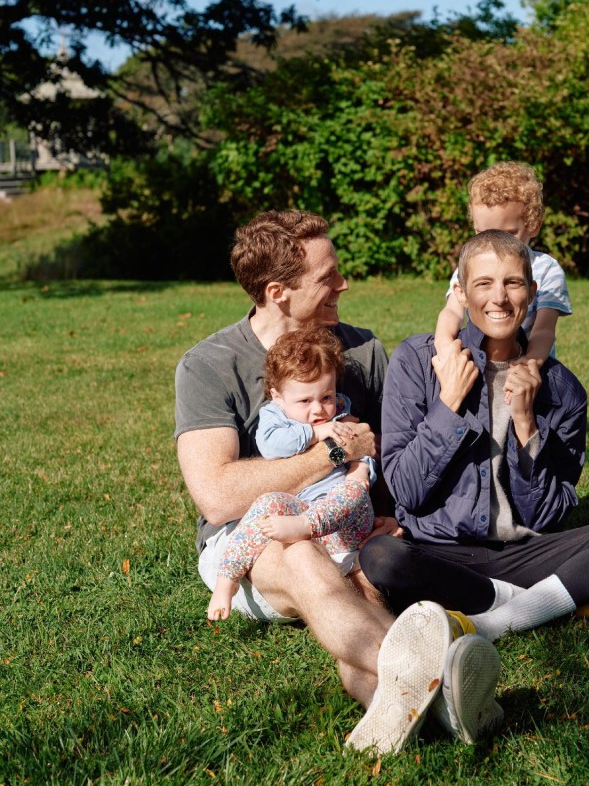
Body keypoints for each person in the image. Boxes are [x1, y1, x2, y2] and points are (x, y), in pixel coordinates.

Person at [175, 209, 501, 753]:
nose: (343, 284)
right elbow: (217, 496)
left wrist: (389, 512)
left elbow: (392, 460)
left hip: (346, 531)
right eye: (328, 277)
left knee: (360, 592)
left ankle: (408, 702)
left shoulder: (361, 351)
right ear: (278, 292)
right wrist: (331, 452)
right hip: (251, 541)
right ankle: (434, 671)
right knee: (300, 556)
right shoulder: (210, 365)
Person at [360, 230, 589, 637]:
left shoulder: (562, 390)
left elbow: (548, 515)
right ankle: (545, 602)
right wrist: (448, 405)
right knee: (381, 557)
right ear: (460, 293)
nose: (499, 297)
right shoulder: (417, 361)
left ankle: (495, 613)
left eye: (512, 283)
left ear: (531, 292)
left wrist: (526, 424)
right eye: (483, 283)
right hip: (434, 551)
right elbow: (407, 491)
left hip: (527, 552)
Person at [206, 326, 377, 622]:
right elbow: (272, 446)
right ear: (278, 396)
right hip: (299, 508)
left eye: (326, 396)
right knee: (268, 503)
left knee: (352, 491)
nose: (319, 409)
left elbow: (362, 447)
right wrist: (314, 433)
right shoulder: (275, 416)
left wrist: (361, 469)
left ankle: (307, 526)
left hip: (344, 529)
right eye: (304, 401)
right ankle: (227, 578)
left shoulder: (341, 410)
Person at [435, 161, 572, 366]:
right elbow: (452, 312)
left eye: (508, 234)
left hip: (531, 366)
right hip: (479, 366)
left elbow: (544, 329)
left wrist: (529, 364)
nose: (495, 244)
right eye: (483, 233)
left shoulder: (546, 270)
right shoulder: (471, 266)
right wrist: (445, 347)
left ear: (533, 225)